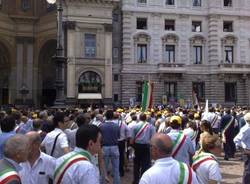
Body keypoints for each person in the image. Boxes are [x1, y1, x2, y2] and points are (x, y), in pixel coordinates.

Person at [130, 113, 156, 184]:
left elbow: (131, 140)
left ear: (139, 118)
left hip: (137, 146)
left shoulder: (134, 126)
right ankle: (143, 180)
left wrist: (132, 147)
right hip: (146, 146)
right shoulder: (151, 127)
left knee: (136, 164)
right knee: (145, 164)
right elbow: (153, 138)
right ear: (146, 118)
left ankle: (136, 181)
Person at [99, 109, 120, 184]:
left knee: (103, 168)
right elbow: (118, 136)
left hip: (105, 147)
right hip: (115, 147)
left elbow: (100, 138)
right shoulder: (117, 126)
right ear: (112, 116)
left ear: (106, 116)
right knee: (116, 169)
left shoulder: (101, 126)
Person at [234, 112, 250, 184]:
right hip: (248, 152)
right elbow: (236, 140)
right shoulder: (246, 129)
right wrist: (244, 151)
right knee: (248, 171)